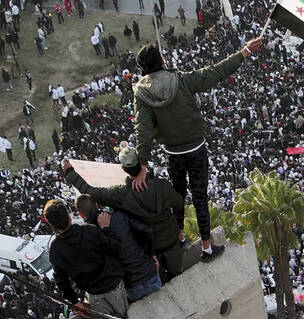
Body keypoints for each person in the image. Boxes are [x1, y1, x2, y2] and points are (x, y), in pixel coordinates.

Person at [132, 37, 263, 262]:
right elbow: (216, 72)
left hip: (173, 153)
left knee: (178, 196)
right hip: (196, 148)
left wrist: (142, 165)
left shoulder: (141, 94)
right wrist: (244, 52)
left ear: (143, 70)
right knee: (200, 198)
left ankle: (180, 236)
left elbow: (142, 131)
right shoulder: (181, 80)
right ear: (162, 61)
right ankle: (206, 248)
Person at [60, 150, 185, 281]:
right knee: (177, 275)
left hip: (149, 249)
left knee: (161, 282)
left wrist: (70, 172)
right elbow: (178, 203)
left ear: (123, 169)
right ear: (142, 163)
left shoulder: (120, 193)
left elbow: (89, 191)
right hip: (171, 241)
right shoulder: (162, 185)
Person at [43, 198, 129, 318]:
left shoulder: (56, 250)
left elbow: (62, 280)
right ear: (69, 217)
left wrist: (74, 301)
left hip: (94, 294)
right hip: (113, 285)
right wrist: (106, 229)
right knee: (125, 318)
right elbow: (115, 247)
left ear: (51, 224)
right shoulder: (89, 231)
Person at [74, 192, 162, 302]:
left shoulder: (88, 236)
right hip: (147, 271)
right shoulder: (119, 215)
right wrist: (151, 253)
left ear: (81, 215)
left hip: (129, 283)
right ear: (96, 205)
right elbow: (147, 231)